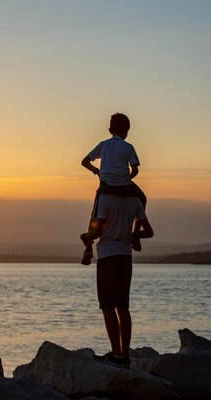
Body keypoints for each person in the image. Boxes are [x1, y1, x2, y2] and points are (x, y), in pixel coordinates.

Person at [80, 194, 153, 367]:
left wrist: (86, 237)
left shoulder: (104, 198)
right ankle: (124, 356)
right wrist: (133, 233)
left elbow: (97, 231)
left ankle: (115, 355)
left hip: (107, 256)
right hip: (126, 256)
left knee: (107, 306)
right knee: (122, 307)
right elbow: (149, 232)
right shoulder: (135, 200)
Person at [80, 113, 147, 265]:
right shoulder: (129, 147)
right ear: (126, 131)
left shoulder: (103, 145)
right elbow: (135, 170)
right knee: (142, 198)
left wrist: (96, 171)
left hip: (106, 186)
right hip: (124, 185)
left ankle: (88, 248)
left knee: (94, 214)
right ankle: (136, 233)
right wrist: (126, 178)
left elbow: (84, 161)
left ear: (110, 130)